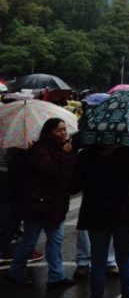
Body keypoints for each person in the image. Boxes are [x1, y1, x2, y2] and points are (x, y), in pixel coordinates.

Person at [6, 118, 76, 290]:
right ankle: (16, 272)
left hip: (55, 205)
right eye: (59, 130)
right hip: (38, 204)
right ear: (49, 131)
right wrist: (66, 155)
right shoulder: (39, 150)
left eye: (64, 129)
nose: (64, 132)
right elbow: (52, 171)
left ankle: (56, 277)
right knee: (29, 241)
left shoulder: (60, 148)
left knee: (55, 240)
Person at [72, 143, 129, 298]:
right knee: (124, 259)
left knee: (98, 261)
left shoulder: (86, 154)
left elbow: (73, 186)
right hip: (123, 213)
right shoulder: (126, 152)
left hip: (95, 213)